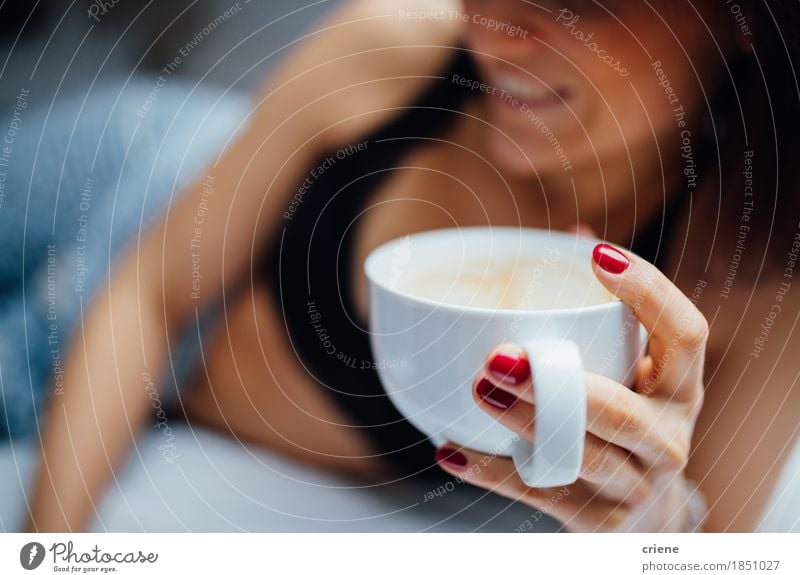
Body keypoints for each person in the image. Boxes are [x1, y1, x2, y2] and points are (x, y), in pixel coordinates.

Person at [25, 0, 800, 532]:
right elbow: (149, 295)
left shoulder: (754, 280)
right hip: (131, 187)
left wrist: (649, 521)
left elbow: (707, 548)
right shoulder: (392, 45)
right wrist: (48, 555)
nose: (494, 31)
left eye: (578, 0)